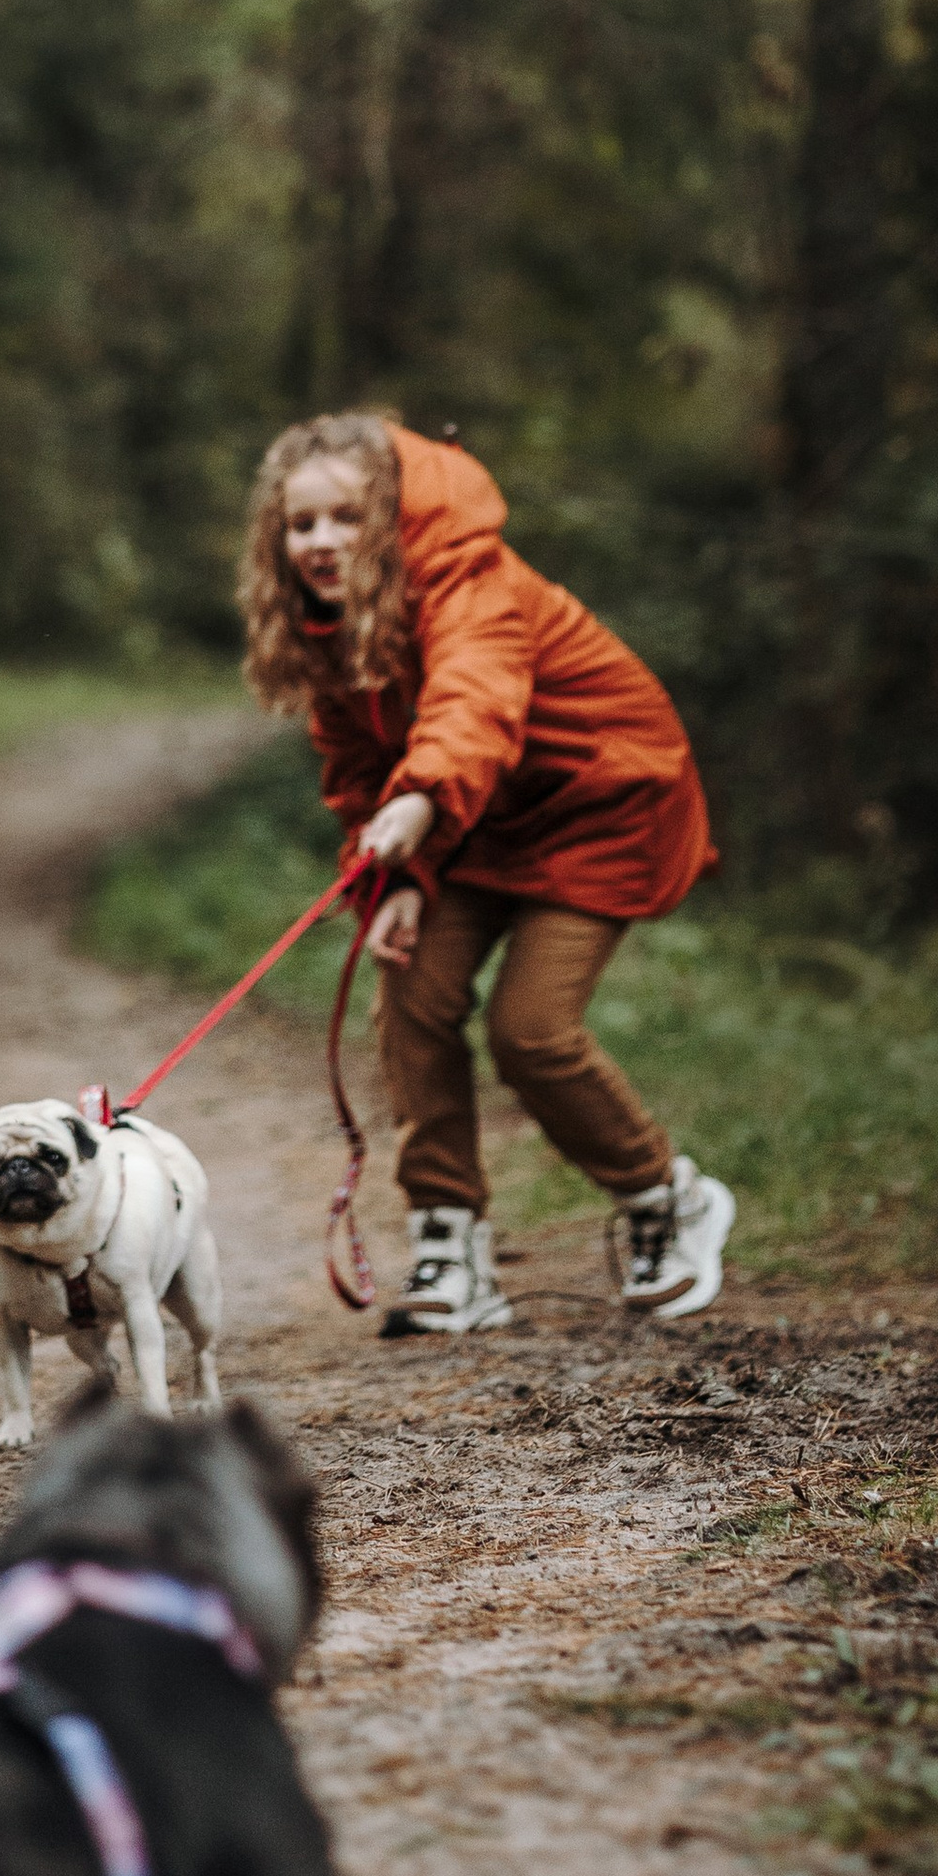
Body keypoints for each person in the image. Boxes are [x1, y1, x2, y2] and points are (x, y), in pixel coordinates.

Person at [238, 410, 734, 1337]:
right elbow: (353, 768)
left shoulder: (471, 580)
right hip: (475, 815)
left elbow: (476, 701)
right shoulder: (329, 621)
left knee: (531, 1031)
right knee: (412, 987)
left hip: (599, 800)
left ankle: (668, 1196)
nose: (320, 542)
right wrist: (397, 875)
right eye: (301, 524)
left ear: (391, 516)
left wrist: (421, 801)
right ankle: (450, 1237)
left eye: (346, 517)